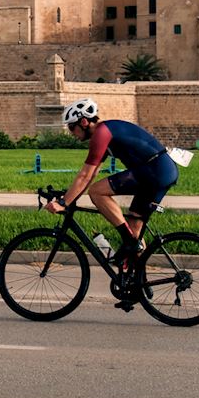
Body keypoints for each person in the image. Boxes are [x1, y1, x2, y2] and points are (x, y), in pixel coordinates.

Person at [48, 99, 179, 300]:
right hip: (160, 171)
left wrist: (64, 203)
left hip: (154, 171)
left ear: (83, 122)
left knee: (97, 192)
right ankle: (139, 283)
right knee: (135, 228)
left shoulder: (101, 133)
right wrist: (67, 196)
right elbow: (90, 174)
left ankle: (128, 241)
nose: (72, 133)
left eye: (72, 128)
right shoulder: (105, 134)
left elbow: (86, 177)